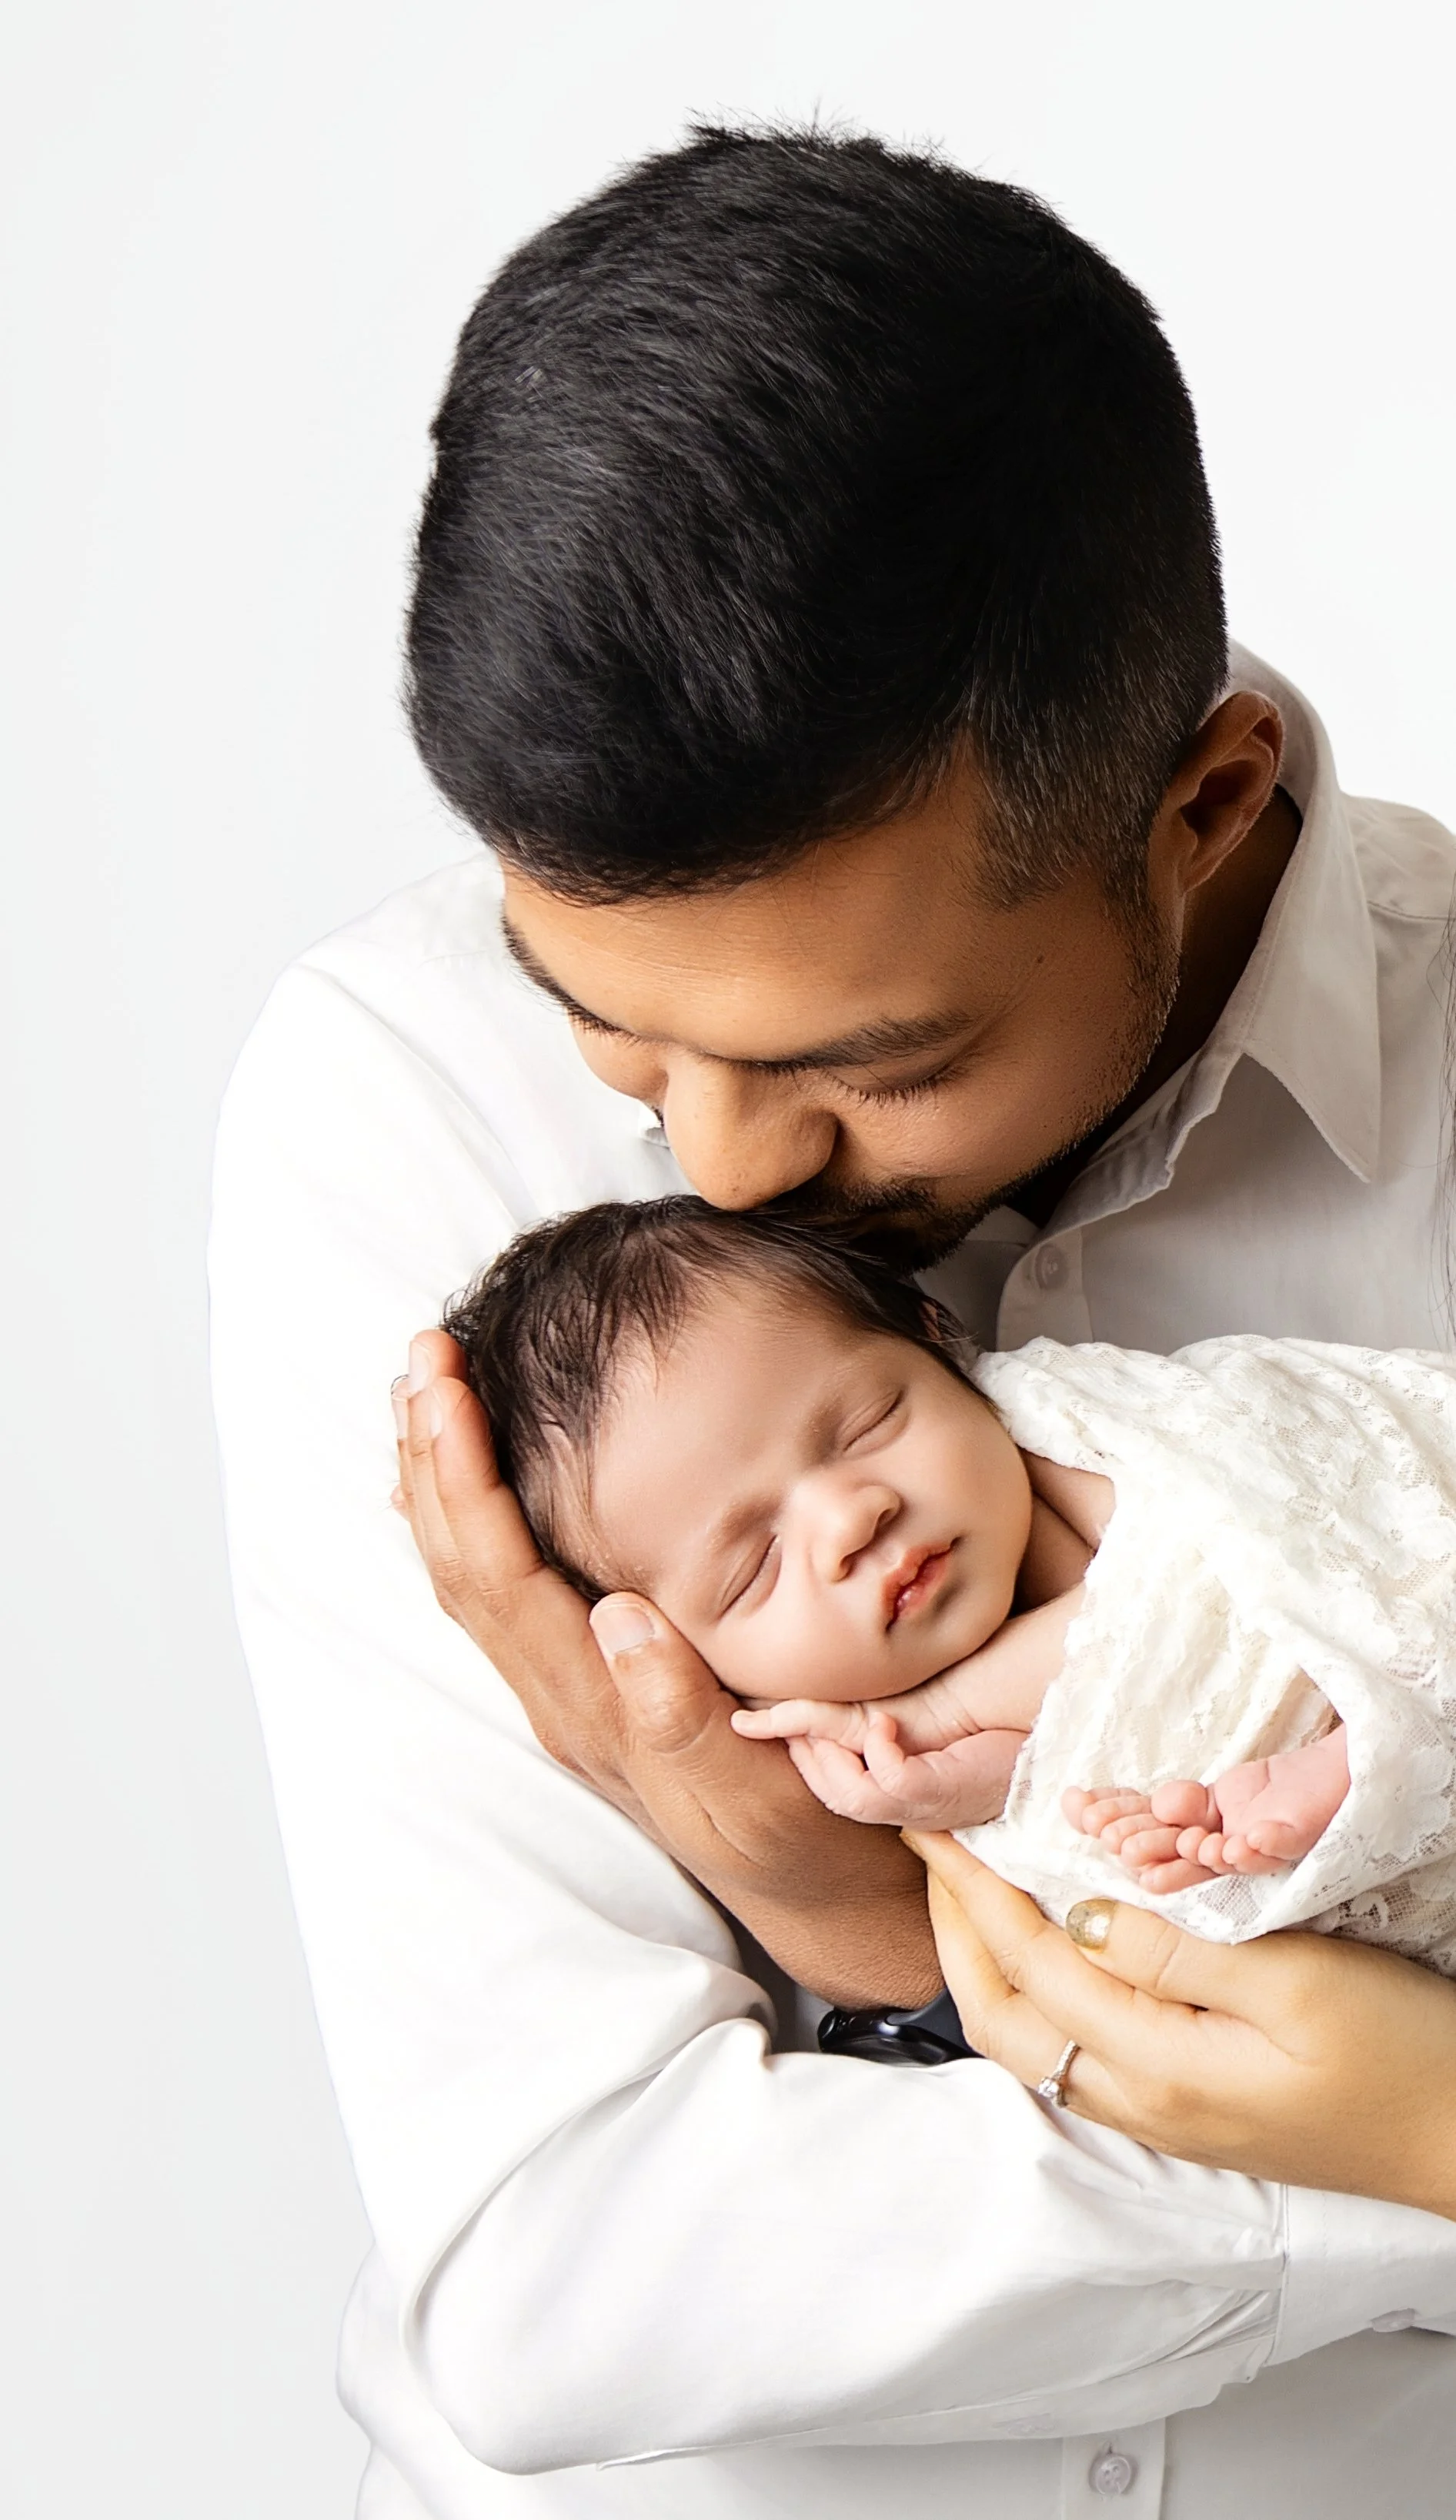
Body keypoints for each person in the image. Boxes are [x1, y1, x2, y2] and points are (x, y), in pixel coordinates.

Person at [211, 127, 1456, 2520]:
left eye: (870, 1065)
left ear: (1197, 809)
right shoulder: (403, 1102)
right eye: (613, 1032)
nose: (719, 1164)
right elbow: (568, 2287)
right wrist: (1407, 2148)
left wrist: (854, 1946)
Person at [444, 1192, 1456, 1960]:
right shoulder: (842, 1758)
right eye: (754, 1567)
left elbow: (1201, 1569)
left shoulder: (1067, 1441)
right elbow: (1046, 1814)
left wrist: (951, 1704)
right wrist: (968, 1773)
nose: (850, 1515)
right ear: (693, 1660)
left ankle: (1371, 1738)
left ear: (936, 1342)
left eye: (864, 1425)